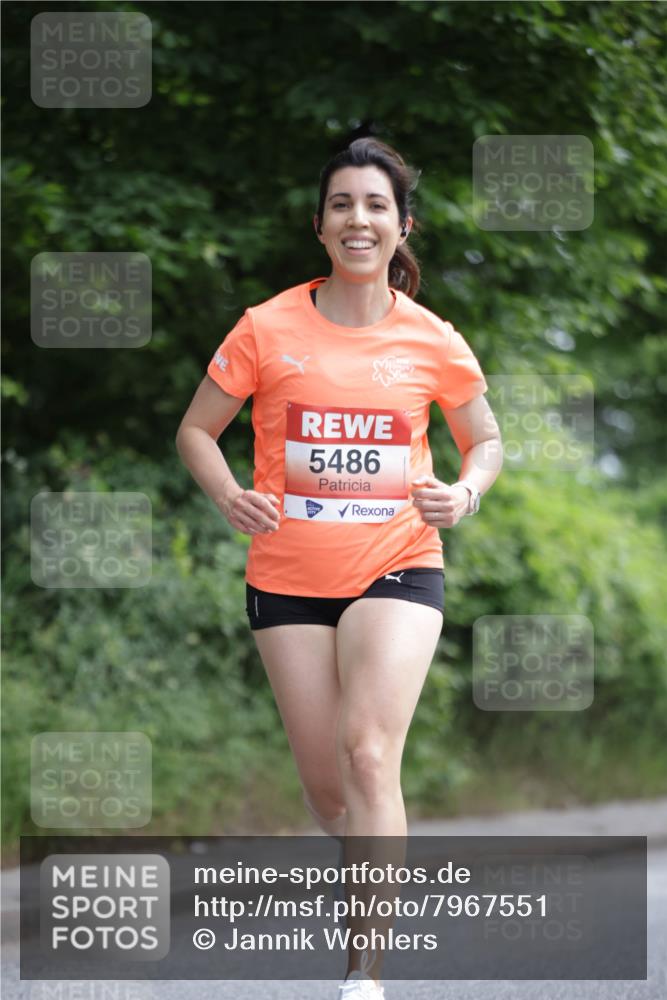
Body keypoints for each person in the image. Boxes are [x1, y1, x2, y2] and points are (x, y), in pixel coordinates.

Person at [176, 137, 503, 999]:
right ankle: (373, 843)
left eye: (376, 206)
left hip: (397, 564)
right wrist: (227, 495)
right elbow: (196, 430)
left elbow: (486, 441)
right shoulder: (265, 326)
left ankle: (363, 975)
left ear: (401, 228)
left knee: (367, 758)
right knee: (329, 790)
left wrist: (463, 495)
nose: (358, 219)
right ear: (319, 225)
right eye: (341, 205)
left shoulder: (432, 339)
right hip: (284, 576)